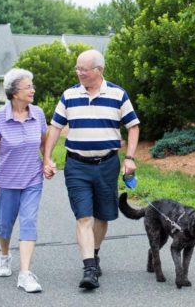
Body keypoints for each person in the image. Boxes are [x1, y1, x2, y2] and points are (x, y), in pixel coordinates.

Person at [43, 49, 140, 289]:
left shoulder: (117, 94)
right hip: (76, 165)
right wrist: (47, 157)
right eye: (77, 68)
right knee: (83, 216)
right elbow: (55, 128)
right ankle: (89, 268)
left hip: (107, 165)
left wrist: (129, 158)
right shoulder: (69, 95)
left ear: (99, 70)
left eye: (83, 69)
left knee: (103, 216)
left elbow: (134, 126)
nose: (79, 73)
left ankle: (94, 254)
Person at [0, 68, 48, 293]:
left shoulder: (38, 114)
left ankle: (24, 274)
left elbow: (44, 143)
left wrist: (47, 162)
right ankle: (4, 256)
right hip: (6, 181)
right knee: (5, 225)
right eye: (28, 87)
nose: (33, 90)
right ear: (14, 93)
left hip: (32, 179)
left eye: (32, 86)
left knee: (29, 222)